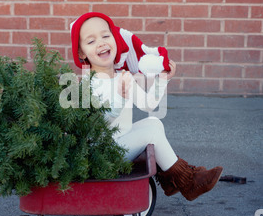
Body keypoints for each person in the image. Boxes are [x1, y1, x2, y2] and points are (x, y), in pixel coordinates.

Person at [70, 12, 223, 201]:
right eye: (91, 41)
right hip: (102, 154)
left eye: (105, 35)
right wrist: (119, 98)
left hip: (119, 142)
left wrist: (162, 80)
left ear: (116, 39)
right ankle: (188, 182)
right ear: (81, 52)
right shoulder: (88, 84)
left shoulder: (122, 76)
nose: (101, 42)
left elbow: (148, 104)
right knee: (151, 134)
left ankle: (169, 179)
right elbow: (93, 125)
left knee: (154, 123)